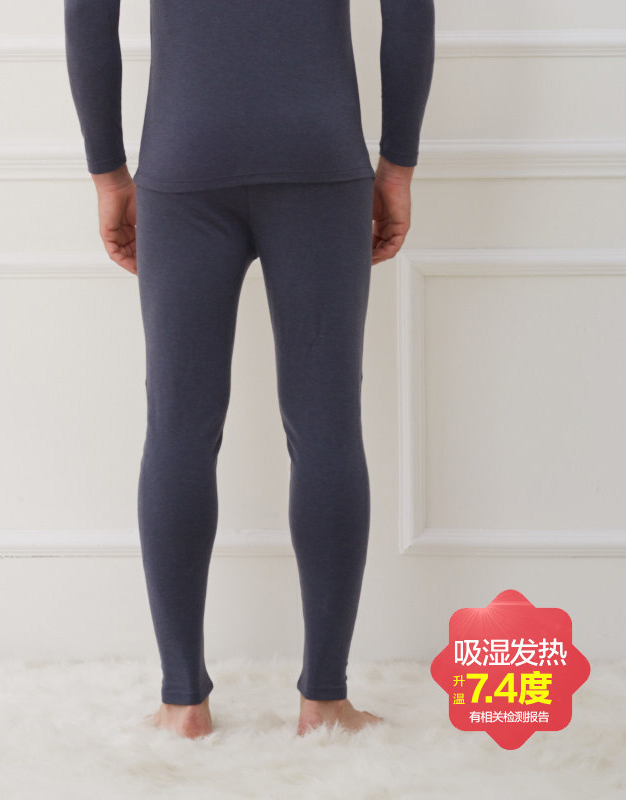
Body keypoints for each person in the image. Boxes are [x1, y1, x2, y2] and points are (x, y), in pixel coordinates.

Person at [64, 0, 435, 738]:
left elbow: (87, 15)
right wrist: (397, 163)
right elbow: (409, 13)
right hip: (319, 151)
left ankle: (182, 705)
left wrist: (108, 173)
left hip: (185, 152)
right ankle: (325, 704)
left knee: (178, 430)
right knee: (327, 428)